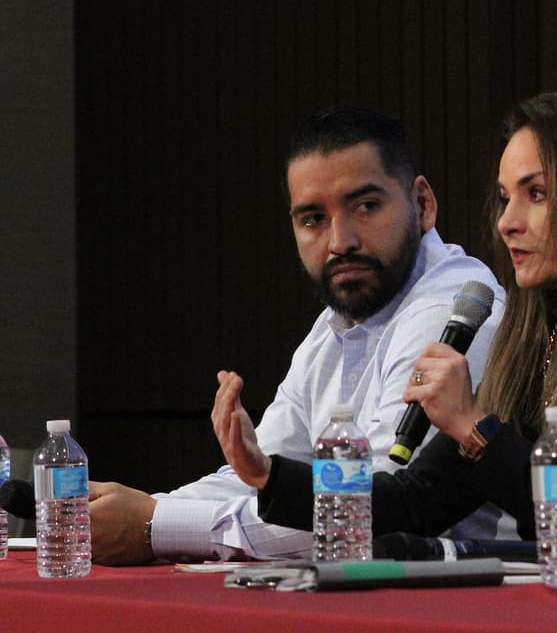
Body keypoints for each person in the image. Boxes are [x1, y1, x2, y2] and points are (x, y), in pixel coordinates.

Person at [213, 91, 557, 567]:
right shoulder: (538, 332)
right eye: (504, 196)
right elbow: (414, 500)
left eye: (535, 194)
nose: (506, 221)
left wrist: (473, 425)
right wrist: (268, 475)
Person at [89, 106, 507, 564]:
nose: (339, 241)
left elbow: (374, 505)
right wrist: (138, 510)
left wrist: (154, 525)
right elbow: (263, 478)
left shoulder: (448, 311)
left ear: (423, 204)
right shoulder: (341, 319)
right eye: (312, 219)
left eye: (365, 207)